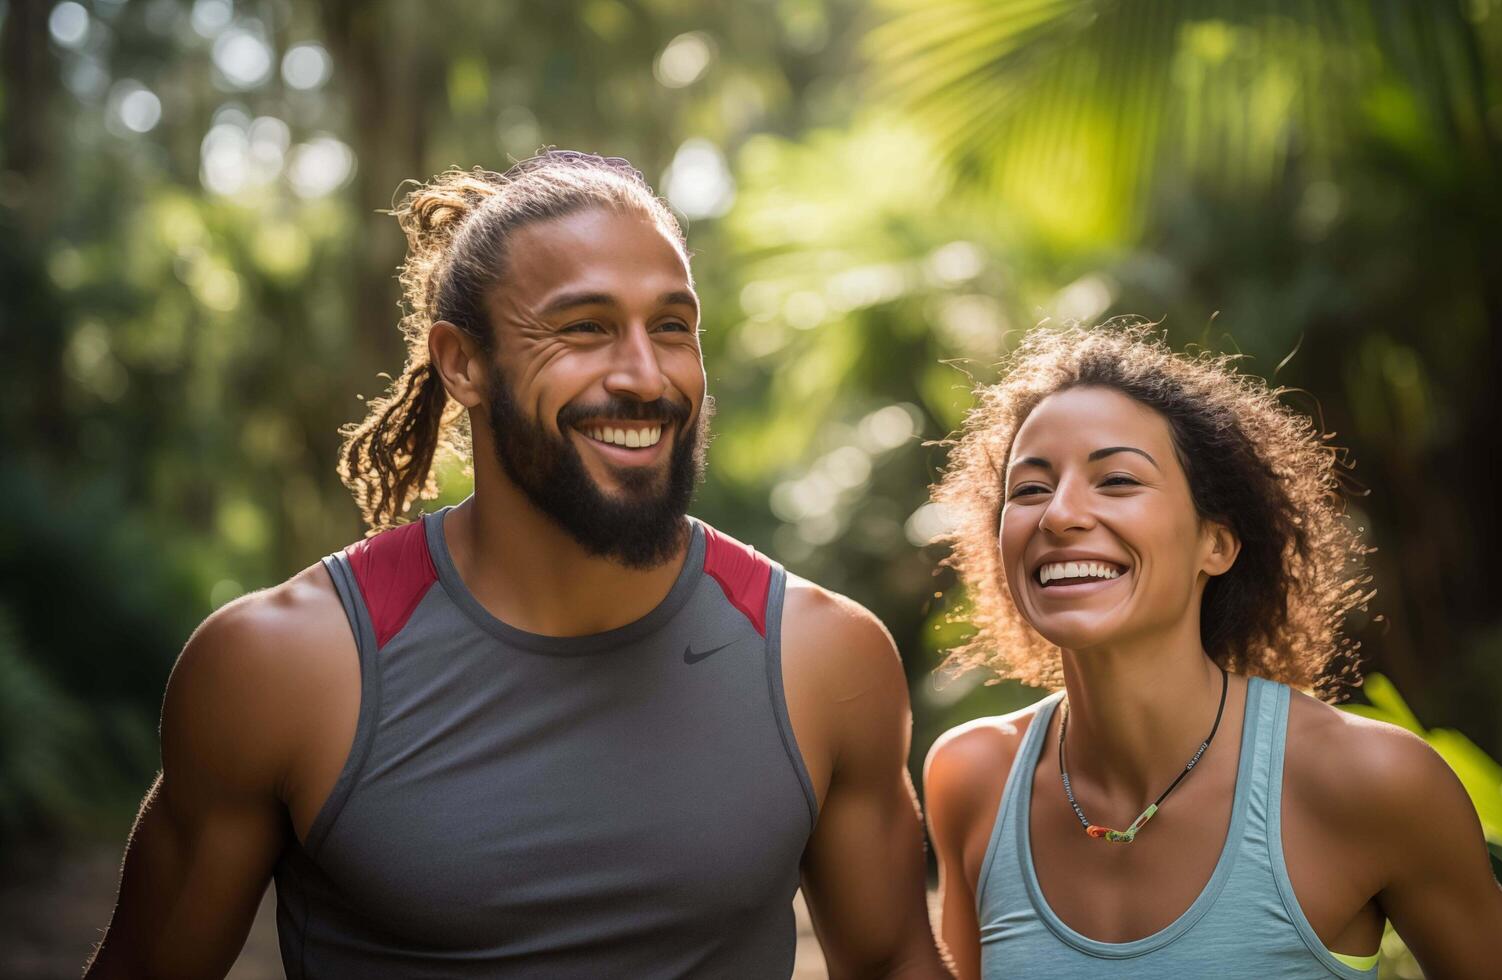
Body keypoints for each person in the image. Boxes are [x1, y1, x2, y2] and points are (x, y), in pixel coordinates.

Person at [86, 150, 946, 979]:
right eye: (585, 329)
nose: (646, 375)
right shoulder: (286, 664)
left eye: (673, 328)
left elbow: (893, 962)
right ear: (463, 363)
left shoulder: (823, 659)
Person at [922, 322, 1502, 979]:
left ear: (1215, 544)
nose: (1057, 515)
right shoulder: (972, 779)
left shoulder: (1369, 781)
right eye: (1027, 489)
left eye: (1115, 481)